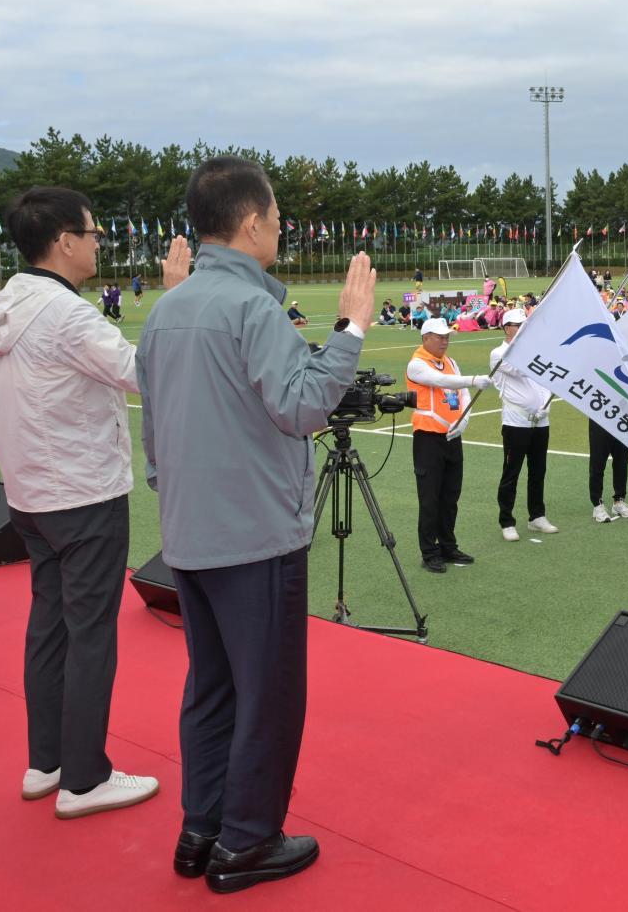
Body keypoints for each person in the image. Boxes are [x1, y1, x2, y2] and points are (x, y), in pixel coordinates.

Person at [137, 157, 368, 892]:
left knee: (211, 687)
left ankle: (201, 829)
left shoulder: (167, 308)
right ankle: (246, 840)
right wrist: (351, 328)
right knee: (266, 693)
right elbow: (303, 405)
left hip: (191, 532)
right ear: (248, 223)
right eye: (274, 218)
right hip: (254, 535)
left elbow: (153, 429)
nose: (279, 229)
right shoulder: (251, 308)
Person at [0, 187, 187, 823]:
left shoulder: (7, 302)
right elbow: (145, 369)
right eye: (94, 233)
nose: (100, 243)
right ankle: (86, 777)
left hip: (29, 494)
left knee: (50, 624)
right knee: (90, 631)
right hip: (80, 492)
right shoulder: (66, 315)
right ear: (65, 241)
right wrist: (176, 296)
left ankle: (47, 761)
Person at [407, 316, 491, 570]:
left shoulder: (451, 361)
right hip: (428, 438)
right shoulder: (417, 364)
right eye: (440, 337)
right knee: (430, 498)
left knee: (450, 495)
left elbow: (460, 393)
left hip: (452, 437)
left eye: (446, 337)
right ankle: (429, 552)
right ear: (426, 338)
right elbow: (441, 381)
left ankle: (448, 546)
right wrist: (474, 379)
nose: (445, 341)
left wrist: (464, 420)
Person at [490, 309, 558, 541]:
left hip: (541, 421)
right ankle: (507, 521)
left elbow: (549, 377)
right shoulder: (498, 353)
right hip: (515, 422)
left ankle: (537, 516)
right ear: (506, 327)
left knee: (538, 471)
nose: (521, 329)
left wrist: (546, 405)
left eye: (524, 325)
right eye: (517, 325)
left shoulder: (536, 351)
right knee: (511, 472)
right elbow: (521, 368)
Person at [589, 417, 628, 523]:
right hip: (600, 419)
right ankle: (597, 505)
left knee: (622, 461)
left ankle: (619, 501)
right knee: (598, 463)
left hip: (622, 420)